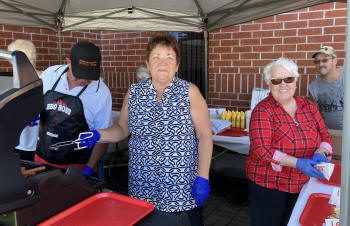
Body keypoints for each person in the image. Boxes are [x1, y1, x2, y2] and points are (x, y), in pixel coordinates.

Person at [78, 34, 212, 225]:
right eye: (156, 57)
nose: (162, 62)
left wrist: (203, 176)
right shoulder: (134, 92)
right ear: (148, 65)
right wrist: (100, 134)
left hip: (181, 185)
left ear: (177, 65)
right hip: (143, 183)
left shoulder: (190, 92)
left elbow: (205, 135)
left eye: (169, 57)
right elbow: (122, 129)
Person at [245, 57, 332, 226]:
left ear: (296, 81)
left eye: (288, 79)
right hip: (269, 183)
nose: (283, 84)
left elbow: (325, 136)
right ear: (269, 84)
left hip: (303, 183)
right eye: (276, 80)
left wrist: (321, 152)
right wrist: (298, 163)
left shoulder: (308, 106)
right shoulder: (263, 110)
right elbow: (261, 149)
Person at [34, 41, 112, 177]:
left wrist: (89, 168)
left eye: (90, 75)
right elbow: (33, 102)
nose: (86, 79)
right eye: (80, 74)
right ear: (68, 62)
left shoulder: (101, 93)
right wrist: (31, 113)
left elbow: (103, 137)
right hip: (42, 160)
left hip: (76, 167)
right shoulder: (50, 75)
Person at [8, 39, 41, 161]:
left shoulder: (44, 79)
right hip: (19, 141)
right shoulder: (17, 81)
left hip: (37, 143)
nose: (11, 64)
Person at [309, 46, 344, 130]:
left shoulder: (347, 75)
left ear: (335, 60)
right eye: (317, 61)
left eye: (325, 60)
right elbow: (316, 116)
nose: (320, 64)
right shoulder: (313, 87)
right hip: (332, 135)